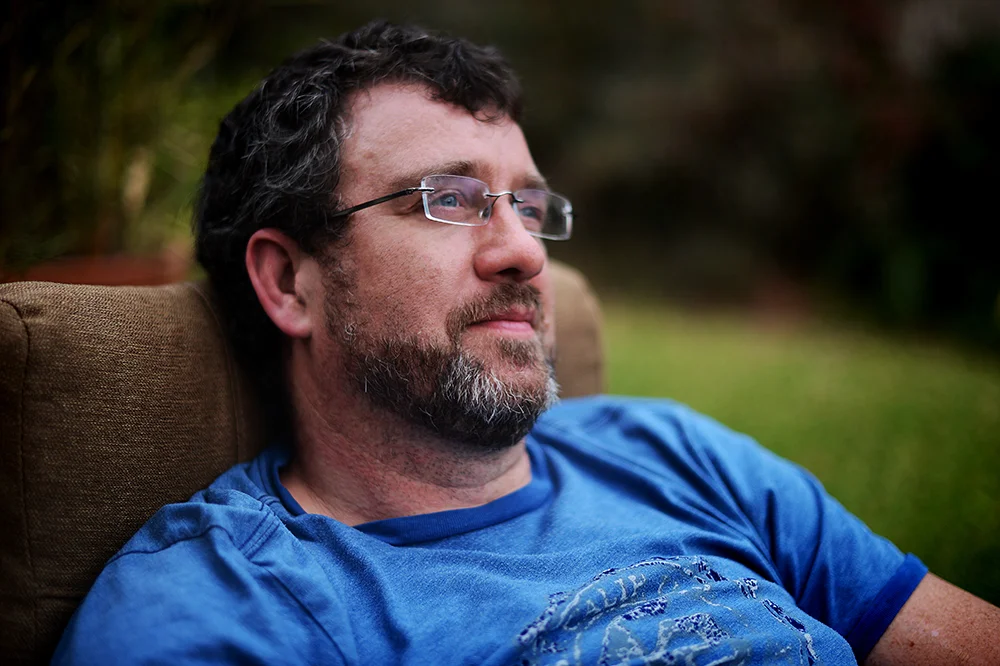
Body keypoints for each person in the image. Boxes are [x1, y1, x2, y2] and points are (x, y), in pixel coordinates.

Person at [53, 21, 999, 666]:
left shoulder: (676, 452)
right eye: (449, 199)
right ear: (289, 281)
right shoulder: (223, 609)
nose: (524, 253)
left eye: (530, 207)